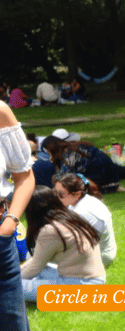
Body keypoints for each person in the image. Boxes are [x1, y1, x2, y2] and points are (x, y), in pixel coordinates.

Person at [20, 185, 105, 302]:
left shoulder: (50, 231)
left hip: (82, 287)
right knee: (30, 271)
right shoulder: (70, 217)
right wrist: (14, 272)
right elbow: (36, 261)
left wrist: (9, 280)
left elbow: (35, 268)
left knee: (8, 287)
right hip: (94, 280)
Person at [0, 101, 35, 330]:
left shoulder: (0, 112)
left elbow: (24, 176)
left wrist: (10, 222)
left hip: (0, 241)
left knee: (12, 323)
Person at [41, 136, 125, 193]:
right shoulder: (72, 146)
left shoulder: (67, 155)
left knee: (80, 186)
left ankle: (113, 186)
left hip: (100, 171)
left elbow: (65, 177)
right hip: (106, 164)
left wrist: (53, 179)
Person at [53, 173, 116, 267]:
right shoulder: (80, 202)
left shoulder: (82, 212)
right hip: (97, 252)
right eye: (55, 192)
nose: (56, 197)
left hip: (99, 258)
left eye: (61, 194)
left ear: (77, 194)